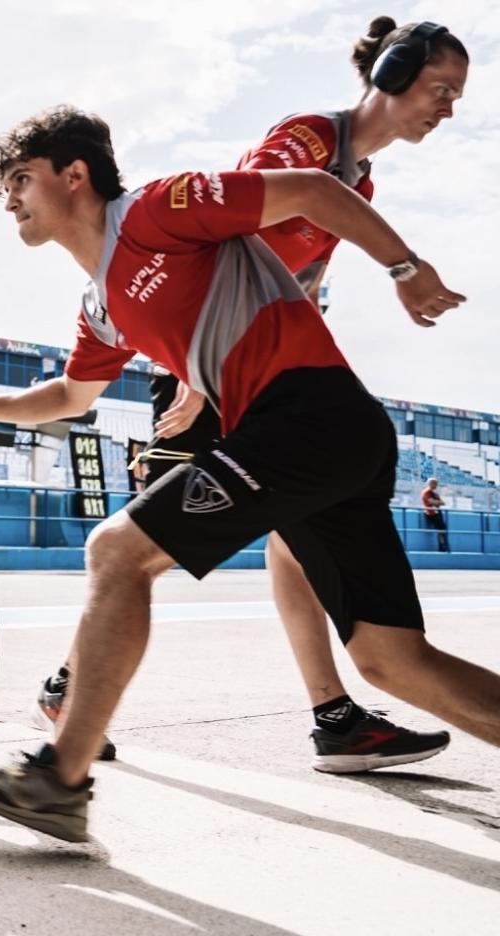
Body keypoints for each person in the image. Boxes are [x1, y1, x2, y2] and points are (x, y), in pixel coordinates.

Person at [0, 102, 500, 844]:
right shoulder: (99, 306)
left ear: (75, 174)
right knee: (391, 660)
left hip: (307, 415)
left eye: (21, 179)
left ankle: (59, 780)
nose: (9, 199)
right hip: (320, 435)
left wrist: (406, 270)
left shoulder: (157, 210)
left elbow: (314, 191)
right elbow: (70, 397)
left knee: (118, 551)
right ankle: (61, 776)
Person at [36, 18, 465, 774]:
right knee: (134, 548)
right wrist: (200, 383)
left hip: (251, 361)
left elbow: (302, 274)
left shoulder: (359, 177)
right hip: (208, 363)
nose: (449, 107)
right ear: (392, 72)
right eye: (441, 88)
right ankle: (68, 695)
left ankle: (334, 715)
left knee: (286, 534)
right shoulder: (308, 140)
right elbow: (240, 230)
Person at [422, 477, 449, 552]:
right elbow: (432, 502)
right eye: (435, 483)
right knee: (441, 529)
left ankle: (443, 546)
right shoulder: (427, 492)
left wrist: (437, 502)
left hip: (437, 512)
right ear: (430, 483)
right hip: (431, 513)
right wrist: (437, 502)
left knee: (442, 528)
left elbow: (443, 503)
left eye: (436, 483)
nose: (436, 485)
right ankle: (441, 547)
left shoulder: (435, 493)